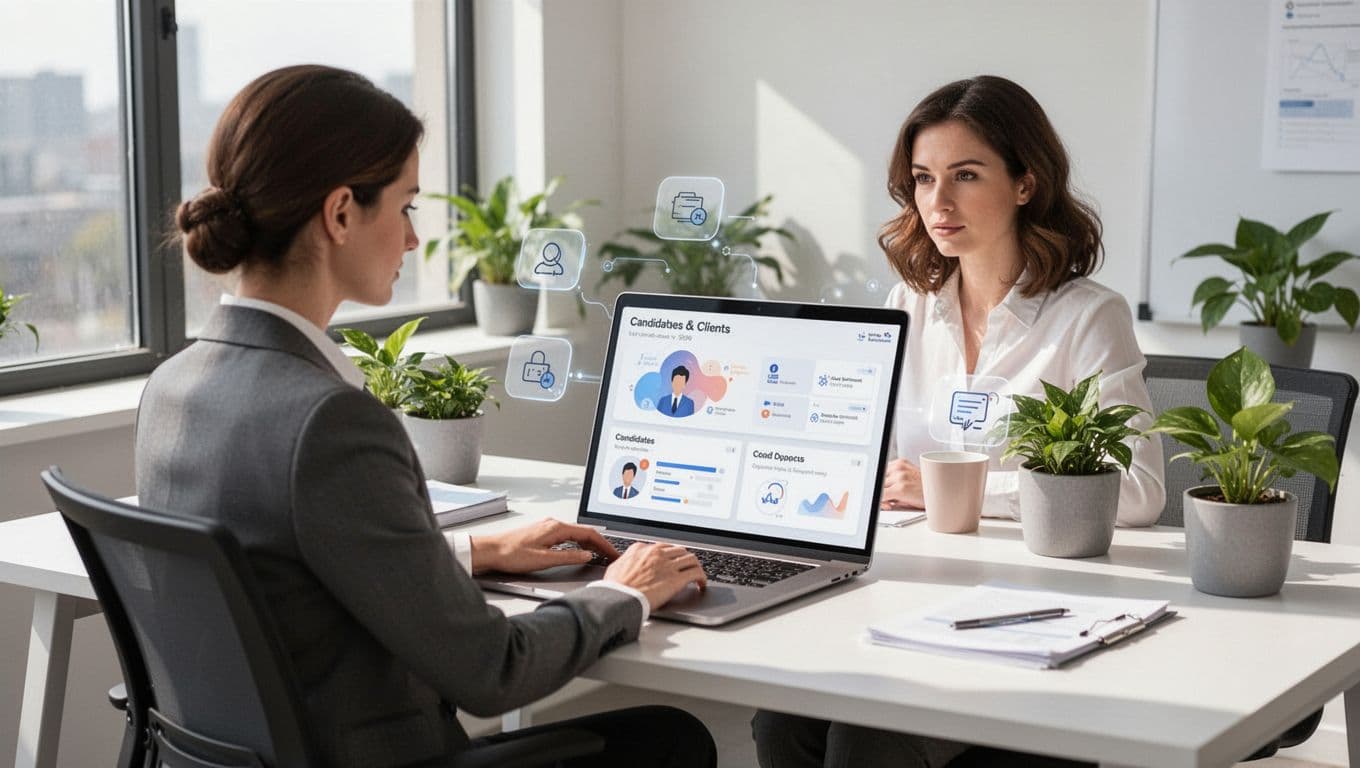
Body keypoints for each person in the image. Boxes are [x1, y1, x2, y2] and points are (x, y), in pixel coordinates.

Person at [135, 65, 715, 768]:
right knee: (672, 740)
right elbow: (492, 670)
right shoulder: (328, 423)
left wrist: (474, 552)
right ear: (341, 212)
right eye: (407, 207)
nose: (414, 241)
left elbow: (289, 575)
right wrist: (620, 594)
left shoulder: (172, 388)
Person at [752, 75, 1165, 768]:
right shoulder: (907, 304)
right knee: (780, 719)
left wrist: (964, 493)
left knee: (863, 735)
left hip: (1031, 610)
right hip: (906, 589)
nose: (938, 203)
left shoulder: (1089, 317)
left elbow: (1138, 490)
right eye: (922, 178)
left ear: (1026, 183)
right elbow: (867, 458)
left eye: (965, 176)